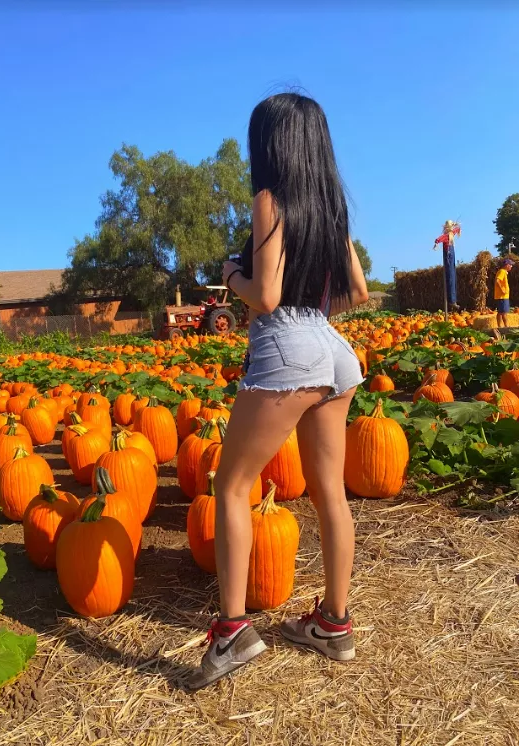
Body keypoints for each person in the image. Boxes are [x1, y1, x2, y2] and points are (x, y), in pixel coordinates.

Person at [187, 93, 369, 690]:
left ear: (269, 144)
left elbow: (264, 297)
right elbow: (357, 293)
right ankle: (334, 625)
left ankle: (233, 632)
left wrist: (231, 274)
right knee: (329, 491)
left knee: (231, 485)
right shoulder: (332, 209)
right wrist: (312, 327)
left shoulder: (270, 200)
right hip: (333, 350)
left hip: (287, 343)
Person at [433, 220, 461, 312]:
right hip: (449, 255)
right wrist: (436, 243)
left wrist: (456, 225)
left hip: (451, 254)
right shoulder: (448, 235)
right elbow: (438, 239)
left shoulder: (450, 234)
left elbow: (457, 229)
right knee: (450, 276)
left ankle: (453, 300)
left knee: (452, 276)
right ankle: (452, 300)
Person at [495, 258, 514, 328]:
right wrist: (502, 289)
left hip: (502, 296)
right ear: (507, 265)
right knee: (504, 312)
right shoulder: (502, 271)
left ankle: (500, 327)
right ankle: (506, 327)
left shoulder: (503, 272)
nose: (511, 266)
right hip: (502, 296)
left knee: (500, 312)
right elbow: (497, 281)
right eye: (510, 265)